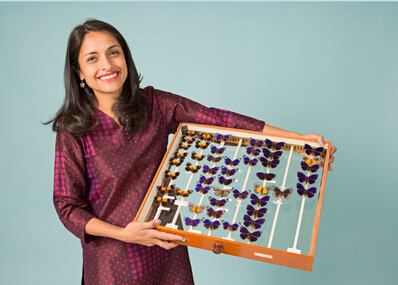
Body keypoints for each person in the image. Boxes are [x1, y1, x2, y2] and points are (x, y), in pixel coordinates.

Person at [44, 19, 336, 285]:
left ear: (126, 58)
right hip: (113, 260)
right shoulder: (73, 130)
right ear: (79, 71)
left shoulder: (155, 104)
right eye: (92, 58)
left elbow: (219, 120)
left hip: (167, 249)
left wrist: (298, 140)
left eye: (114, 52)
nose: (107, 64)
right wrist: (124, 234)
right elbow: (67, 205)